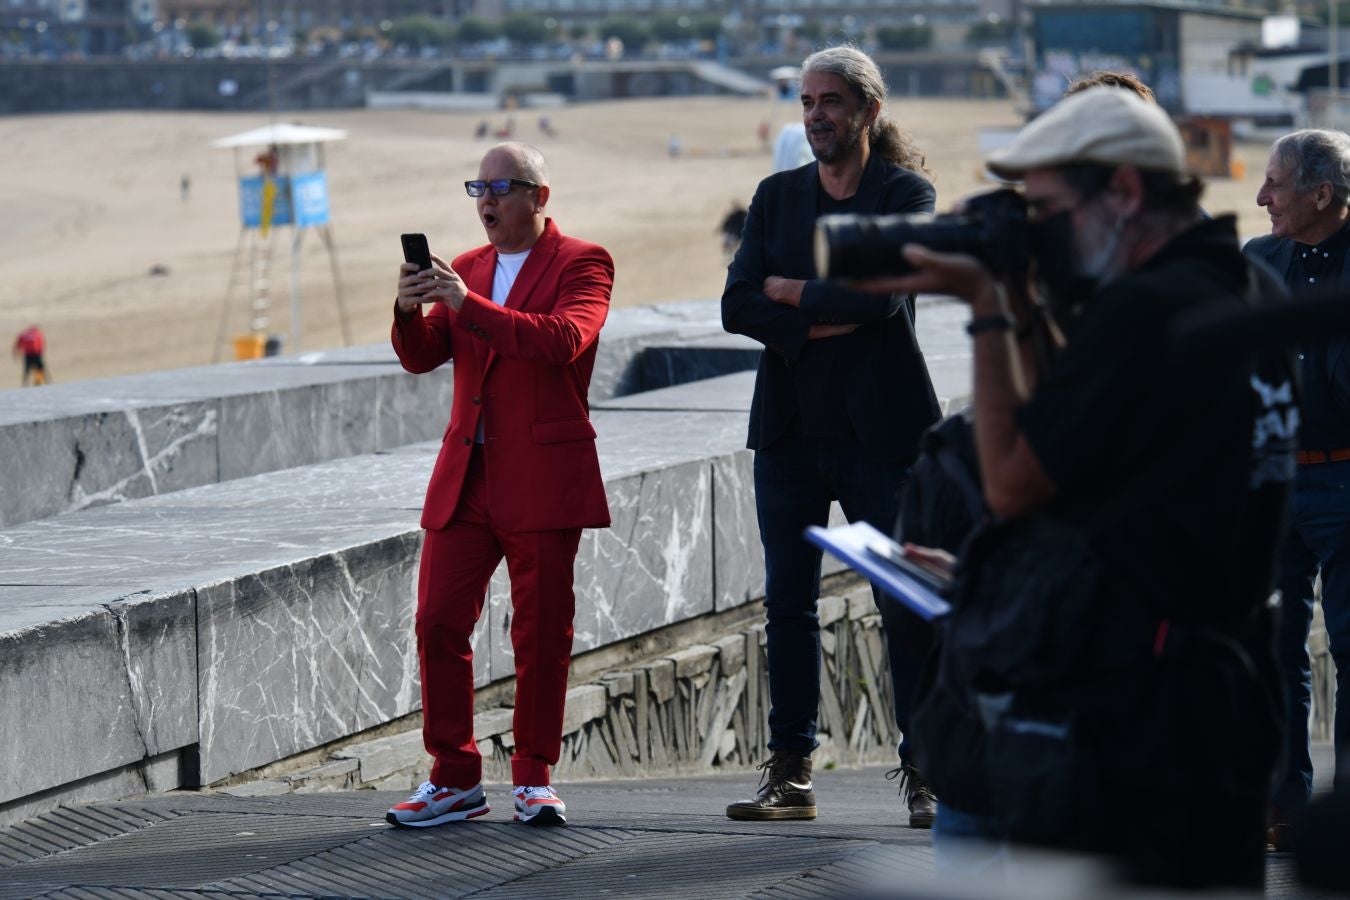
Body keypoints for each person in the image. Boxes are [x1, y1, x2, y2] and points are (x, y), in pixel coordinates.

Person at [879, 87, 1291, 888]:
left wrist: (991, 307)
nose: (1045, 237)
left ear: (1124, 193)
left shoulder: (1143, 312)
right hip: (1228, 691)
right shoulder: (1246, 291)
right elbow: (1131, 478)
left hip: (1134, 721)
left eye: (1051, 211)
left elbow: (1009, 484)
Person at [721, 46, 943, 827]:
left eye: (831, 102)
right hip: (789, 437)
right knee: (789, 607)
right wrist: (821, 311)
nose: (816, 115)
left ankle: (929, 774)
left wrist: (792, 292)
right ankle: (790, 776)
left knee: (905, 604)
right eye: (807, 101)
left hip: (884, 439)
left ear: (868, 112)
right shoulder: (776, 195)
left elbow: (882, 298)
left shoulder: (906, 192)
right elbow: (736, 304)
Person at [385, 142, 614, 829]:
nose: (485, 201)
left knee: (541, 634)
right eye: (476, 188)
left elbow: (561, 340)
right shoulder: (469, 267)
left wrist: (467, 303)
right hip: (468, 478)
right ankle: (454, 776)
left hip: (543, 477)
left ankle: (534, 778)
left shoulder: (584, 262)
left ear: (539, 197)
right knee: (437, 622)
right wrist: (406, 311)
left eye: (501, 187)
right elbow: (426, 357)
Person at [1245, 128, 1350, 848]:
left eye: (1275, 185)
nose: (1261, 198)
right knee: (1271, 648)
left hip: (1348, 481)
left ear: (1322, 193)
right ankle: (1281, 804)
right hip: (1271, 483)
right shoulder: (1257, 262)